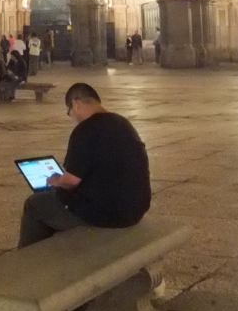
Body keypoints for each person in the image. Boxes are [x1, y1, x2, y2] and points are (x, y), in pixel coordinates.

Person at [19, 83, 151, 248]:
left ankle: (28, 259)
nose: (73, 118)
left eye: (70, 112)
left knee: (35, 204)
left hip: (108, 215)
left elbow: (71, 181)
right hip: (135, 209)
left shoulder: (85, 129)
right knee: (56, 200)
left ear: (76, 104)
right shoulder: (123, 123)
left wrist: (55, 180)